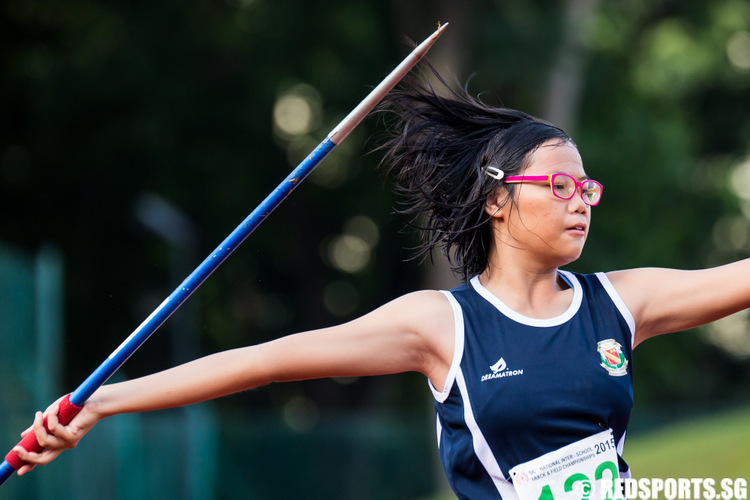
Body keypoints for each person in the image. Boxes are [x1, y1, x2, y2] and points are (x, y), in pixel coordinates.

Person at [12, 75, 750, 500]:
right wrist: (101, 402)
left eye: (585, 185)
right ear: (497, 199)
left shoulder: (619, 302)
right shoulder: (443, 326)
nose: (580, 198)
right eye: (557, 184)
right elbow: (267, 359)